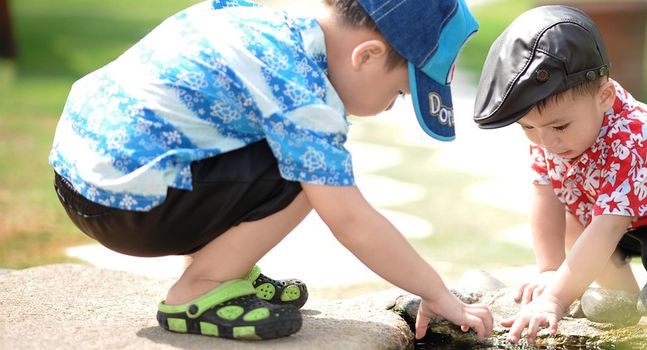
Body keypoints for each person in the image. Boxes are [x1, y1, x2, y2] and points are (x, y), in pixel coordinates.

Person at [49, 0, 492, 341]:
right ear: (368, 56)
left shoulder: (267, 25)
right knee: (308, 177)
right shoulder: (301, 90)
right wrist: (436, 293)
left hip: (83, 177)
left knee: (281, 148)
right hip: (126, 207)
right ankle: (201, 288)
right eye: (396, 94)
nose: (386, 108)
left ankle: (224, 267)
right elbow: (350, 220)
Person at [472, 5, 647, 344]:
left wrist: (555, 299)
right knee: (576, 221)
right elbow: (545, 195)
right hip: (638, 215)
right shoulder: (552, 133)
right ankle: (627, 311)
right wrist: (550, 270)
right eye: (528, 128)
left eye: (559, 126)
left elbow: (609, 226)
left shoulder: (635, 137)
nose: (546, 141)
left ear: (604, 96)